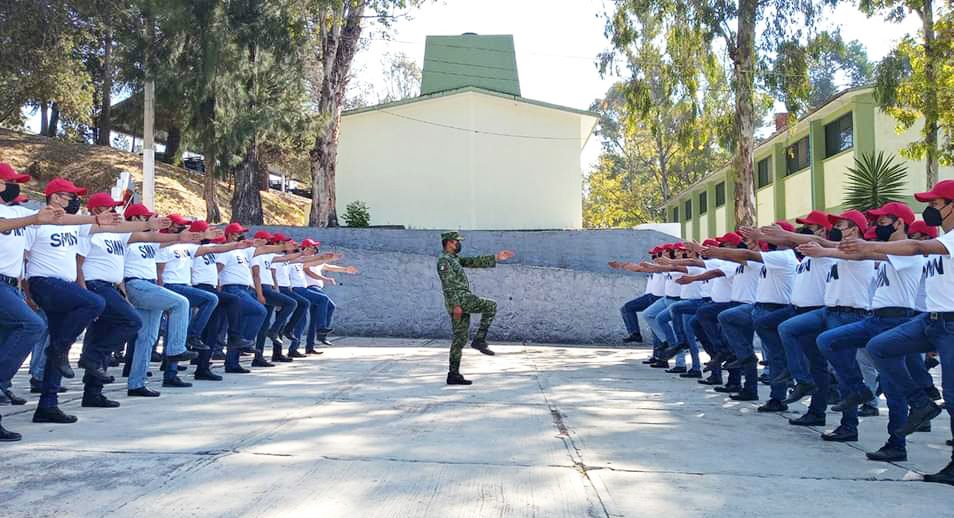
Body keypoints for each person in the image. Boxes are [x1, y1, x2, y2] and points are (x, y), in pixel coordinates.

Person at [839, 179, 954, 485]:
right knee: (880, 347)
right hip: (931, 320)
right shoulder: (944, 239)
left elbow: (916, 245)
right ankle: (921, 402)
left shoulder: (947, 240)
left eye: (934, 204)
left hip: (950, 324)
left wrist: (870, 244)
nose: (928, 210)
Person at [0, 164, 68, 440]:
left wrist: (91, 220)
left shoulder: (17, 210)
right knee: (32, 326)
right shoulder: (15, 216)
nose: (14, 185)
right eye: (10, 181)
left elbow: (44, 220)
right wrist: (35, 219)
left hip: (11, 285)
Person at [121, 204, 200, 397]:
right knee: (181, 303)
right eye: (145, 217)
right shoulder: (126, 236)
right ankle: (175, 349)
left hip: (149, 286)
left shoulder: (150, 240)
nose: (151, 220)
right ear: (133, 219)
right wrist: (123, 293)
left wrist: (182, 237)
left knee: (147, 338)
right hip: (136, 284)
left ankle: (136, 384)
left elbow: (161, 239)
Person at [437, 231, 514, 385]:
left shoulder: (454, 259)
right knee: (490, 306)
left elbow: (473, 261)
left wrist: (496, 258)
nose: (459, 244)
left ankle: (453, 374)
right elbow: (448, 285)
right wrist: (456, 305)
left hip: (460, 300)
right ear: (449, 242)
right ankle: (479, 340)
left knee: (460, 339)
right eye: (456, 241)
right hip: (459, 299)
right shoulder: (444, 261)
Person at [250, 231, 298, 367]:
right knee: (291, 303)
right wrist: (259, 294)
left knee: (264, 325)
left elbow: (294, 260)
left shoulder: (269, 256)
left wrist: (306, 254)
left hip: (269, 288)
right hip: (263, 288)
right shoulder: (257, 254)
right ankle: (274, 331)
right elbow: (256, 275)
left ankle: (259, 356)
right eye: (281, 242)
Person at [303, 246, 358, 347]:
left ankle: (310, 346)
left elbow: (329, 267)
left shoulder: (317, 261)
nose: (312, 250)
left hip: (317, 289)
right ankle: (322, 330)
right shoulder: (303, 260)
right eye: (309, 248)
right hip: (310, 287)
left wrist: (345, 269)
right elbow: (308, 272)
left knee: (315, 318)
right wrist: (324, 278)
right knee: (329, 305)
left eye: (314, 248)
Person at [612, 246, 664, 344]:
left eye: (656, 255)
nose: (654, 258)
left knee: (655, 329)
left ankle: (658, 354)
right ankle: (635, 334)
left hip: (656, 298)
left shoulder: (662, 268)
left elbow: (638, 268)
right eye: (653, 256)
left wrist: (622, 265)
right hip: (649, 296)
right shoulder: (655, 267)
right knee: (627, 309)